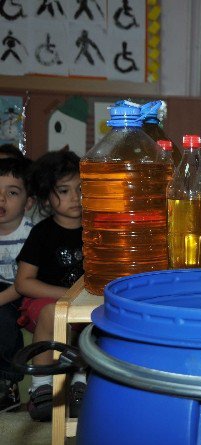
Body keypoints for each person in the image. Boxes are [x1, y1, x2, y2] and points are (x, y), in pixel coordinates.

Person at [15, 151, 85, 421]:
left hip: (83, 305)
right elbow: (23, 282)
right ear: (46, 197)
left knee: (97, 320)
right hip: (44, 303)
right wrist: (66, 296)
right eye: (64, 191)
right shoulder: (42, 232)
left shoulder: (96, 228)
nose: (75, 197)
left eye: (81, 189)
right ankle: (41, 388)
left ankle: (81, 382)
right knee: (53, 312)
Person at [0, 157, 34, 413]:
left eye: (12, 193)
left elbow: (23, 284)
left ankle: (8, 382)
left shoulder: (31, 233)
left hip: (21, 292)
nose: (2, 199)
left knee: (4, 319)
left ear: (28, 202)